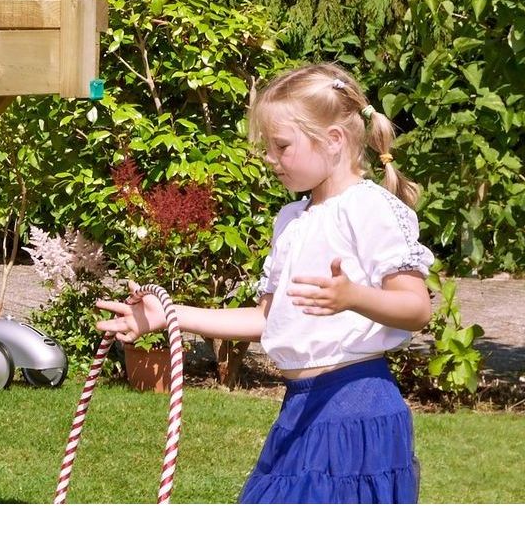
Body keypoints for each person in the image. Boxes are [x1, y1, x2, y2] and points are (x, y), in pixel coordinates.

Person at [96, 62, 434, 503]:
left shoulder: (370, 210)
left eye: (282, 145)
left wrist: (353, 296)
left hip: (355, 409)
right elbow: (266, 318)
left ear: (333, 141)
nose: (270, 158)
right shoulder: (292, 219)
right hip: (302, 407)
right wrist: (170, 316)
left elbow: (416, 308)